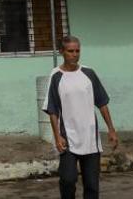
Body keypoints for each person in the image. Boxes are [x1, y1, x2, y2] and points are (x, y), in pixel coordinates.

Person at [43, 36, 118, 199]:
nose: (75, 54)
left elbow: (102, 103)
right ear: (62, 52)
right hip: (68, 139)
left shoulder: (89, 74)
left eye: (77, 51)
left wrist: (111, 129)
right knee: (68, 179)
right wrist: (57, 136)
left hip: (90, 139)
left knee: (92, 186)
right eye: (70, 51)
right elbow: (52, 110)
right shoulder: (56, 76)